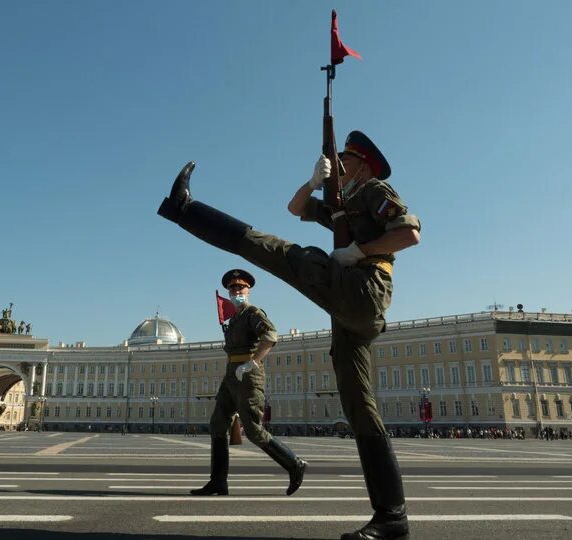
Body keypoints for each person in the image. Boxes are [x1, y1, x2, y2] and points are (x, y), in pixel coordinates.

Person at [157, 131, 420, 540]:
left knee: (276, 251)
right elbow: (296, 207)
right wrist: (314, 183)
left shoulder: (374, 190)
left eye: (346, 161)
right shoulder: (342, 205)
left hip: (364, 288)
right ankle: (393, 518)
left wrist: (361, 252)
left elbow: (409, 233)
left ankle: (185, 210)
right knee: (358, 406)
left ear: (364, 165)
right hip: (348, 306)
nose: (342, 167)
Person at [190, 269, 307, 497]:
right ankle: (218, 481)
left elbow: (270, 336)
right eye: (232, 288)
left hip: (248, 375)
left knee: (253, 430)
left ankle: (294, 464)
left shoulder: (253, 313)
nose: (236, 291)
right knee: (217, 424)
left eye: (240, 287)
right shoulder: (235, 318)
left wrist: (253, 363)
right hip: (232, 374)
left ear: (248, 290)